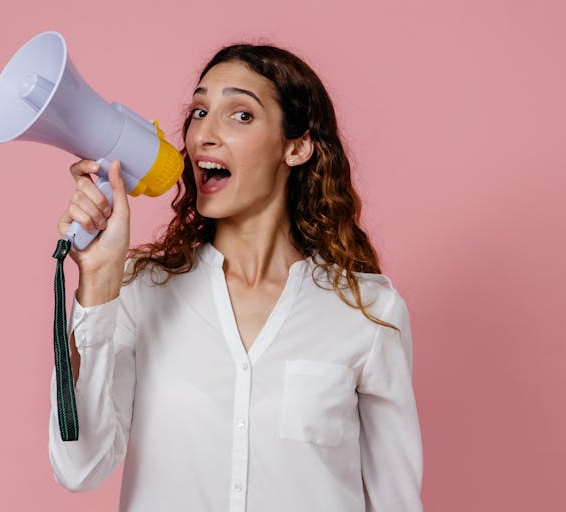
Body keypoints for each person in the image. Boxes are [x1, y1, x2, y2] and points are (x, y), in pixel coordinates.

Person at [48, 42, 423, 512]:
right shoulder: (138, 292)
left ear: (297, 146)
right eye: (200, 111)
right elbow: (79, 467)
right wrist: (99, 283)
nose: (204, 133)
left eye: (240, 114)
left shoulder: (366, 312)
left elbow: (396, 500)